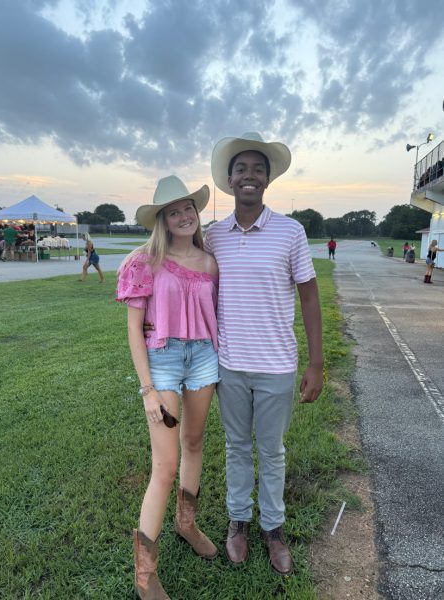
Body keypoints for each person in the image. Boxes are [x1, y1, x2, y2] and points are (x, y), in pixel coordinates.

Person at [206, 132, 323, 575]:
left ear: (267, 179)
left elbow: (310, 298)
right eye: (241, 169)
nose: (249, 176)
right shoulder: (214, 235)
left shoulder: (291, 232)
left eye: (258, 168)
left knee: (271, 452)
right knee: (237, 447)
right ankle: (239, 522)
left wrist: (316, 362)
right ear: (230, 180)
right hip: (229, 365)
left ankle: (273, 529)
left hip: (277, 368)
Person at [116, 176, 219, 600]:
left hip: (204, 358)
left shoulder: (210, 261)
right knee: (164, 464)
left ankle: (187, 523)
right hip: (162, 358)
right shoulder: (145, 261)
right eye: (173, 211)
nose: (183, 216)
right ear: (161, 219)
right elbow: (134, 331)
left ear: (196, 214)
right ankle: (145, 575)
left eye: (188, 208)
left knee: (194, 441)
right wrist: (147, 390)